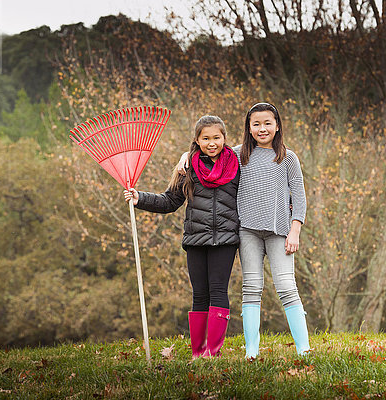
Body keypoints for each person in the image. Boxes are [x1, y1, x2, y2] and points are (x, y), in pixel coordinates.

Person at [177, 103, 310, 358]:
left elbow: (300, 197)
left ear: (277, 125)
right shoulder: (237, 155)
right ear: (248, 128)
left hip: (279, 230)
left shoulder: (288, 158)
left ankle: (303, 348)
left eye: (267, 123)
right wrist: (185, 155)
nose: (262, 129)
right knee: (251, 287)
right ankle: (251, 350)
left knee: (286, 286)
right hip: (247, 231)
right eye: (256, 124)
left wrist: (295, 230)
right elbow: (208, 152)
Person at [123, 115, 240, 358]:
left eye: (216, 138)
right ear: (197, 140)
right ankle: (198, 352)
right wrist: (139, 198)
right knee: (199, 294)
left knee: (218, 290)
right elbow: (170, 201)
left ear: (224, 138)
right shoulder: (187, 168)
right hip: (195, 239)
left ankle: (213, 352)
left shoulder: (236, 164)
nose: (211, 143)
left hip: (225, 240)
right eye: (205, 138)